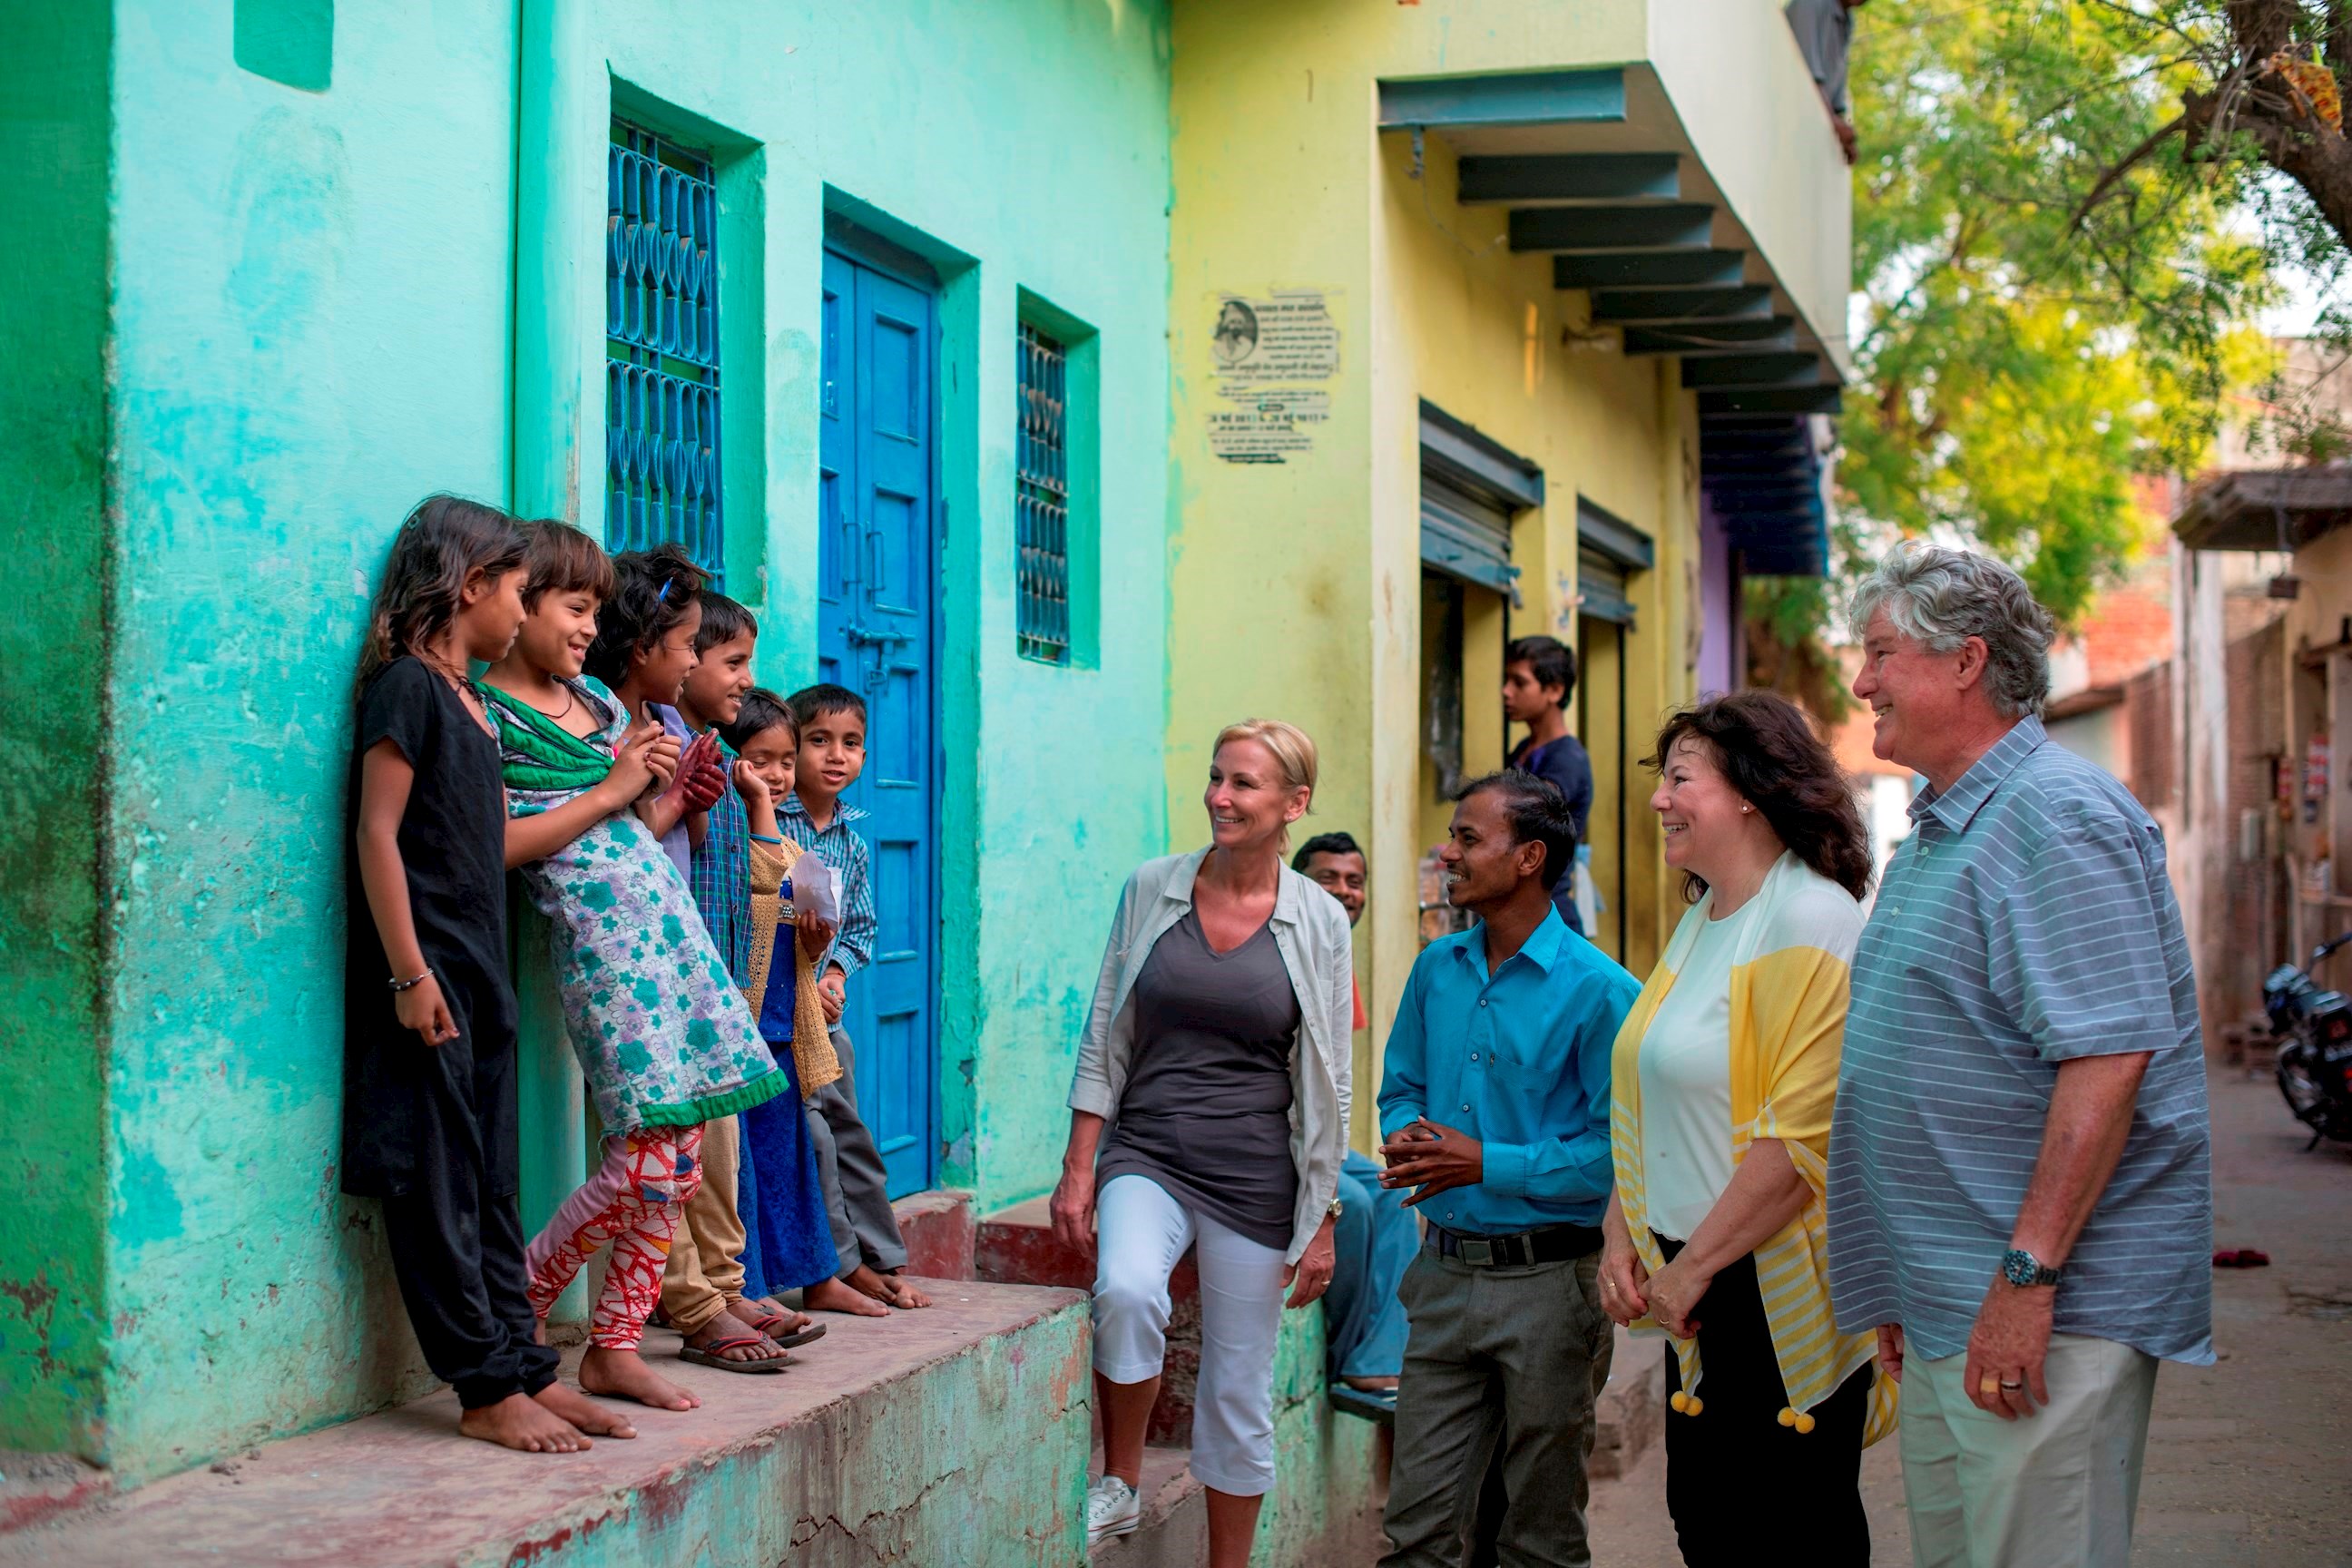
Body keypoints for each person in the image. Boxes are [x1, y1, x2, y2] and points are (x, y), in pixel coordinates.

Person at [1828, 542, 2214, 1568]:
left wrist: (2024, 1279)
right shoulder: (1957, 822)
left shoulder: (2058, 816)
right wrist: (1912, 1285)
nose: (1863, 684)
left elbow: (2110, 1060)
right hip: (1956, 1298)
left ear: (1966, 661)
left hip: (2041, 1309)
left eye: (1880, 656)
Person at [479, 529, 789, 1413]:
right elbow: (518, 837)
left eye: (589, 610)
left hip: (669, 937)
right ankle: (523, 1304)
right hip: (608, 955)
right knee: (645, 1164)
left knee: (681, 1162)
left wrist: (662, 801)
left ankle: (614, 1345)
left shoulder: (597, 708)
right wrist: (622, 791)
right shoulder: (492, 717)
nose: (582, 628)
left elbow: (624, 829)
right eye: (569, 607)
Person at [344, 495, 628, 1453]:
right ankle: (479, 1384)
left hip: (480, 972)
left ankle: (524, 1367)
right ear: (468, 587)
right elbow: (377, 834)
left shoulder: (467, 698)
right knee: (437, 1186)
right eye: (516, 590)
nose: (521, 609)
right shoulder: (408, 690)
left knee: (495, 1182)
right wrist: (407, 974)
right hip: (427, 980)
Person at [1598, 691, 1895, 1565]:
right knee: (1708, 1524)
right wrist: (1622, 1235)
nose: (1659, 801)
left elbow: (1798, 1141)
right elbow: (1652, 1096)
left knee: (1793, 1533)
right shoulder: (1704, 918)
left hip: (1768, 1287)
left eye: (1681, 779)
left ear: (1751, 795)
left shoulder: (1813, 921)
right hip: (1697, 1284)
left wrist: (1685, 1273)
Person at [1054, 720, 1354, 1563]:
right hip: (1147, 1148)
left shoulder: (1320, 921)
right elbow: (1103, 1029)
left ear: (1295, 802)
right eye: (1217, 778)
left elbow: (1332, 1080)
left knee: (1236, 1390)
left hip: (1256, 1174)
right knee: (1126, 1290)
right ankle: (1119, 1484)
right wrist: (1081, 1165)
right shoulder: (1153, 887)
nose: (1221, 798)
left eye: (1244, 785)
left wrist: (1323, 1214)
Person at [1377, 770, 1639, 1568]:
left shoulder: (1603, 993)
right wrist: (1412, 1139)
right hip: (1444, 1277)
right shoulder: (1435, 969)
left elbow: (1612, 1156)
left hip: (1551, 1290)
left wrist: (1485, 1162)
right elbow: (1401, 1087)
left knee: (1539, 1537)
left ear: (1528, 857)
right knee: (1415, 1533)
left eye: (1466, 838)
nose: (1447, 853)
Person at [658, 598, 827, 1369]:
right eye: (729, 661)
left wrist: (757, 803)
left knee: (718, 1155)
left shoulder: (720, 765)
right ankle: (694, 1303)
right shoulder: (671, 751)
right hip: (677, 990)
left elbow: (765, 891)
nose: (738, 677)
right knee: (678, 1159)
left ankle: (725, 1290)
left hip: (722, 990)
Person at [779, 683, 927, 1314]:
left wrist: (835, 974)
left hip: (826, 1017)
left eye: (851, 743)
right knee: (812, 1137)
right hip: (777, 1014)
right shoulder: (768, 819)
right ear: (792, 747)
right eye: (818, 741)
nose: (836, 756)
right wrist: (805, 977)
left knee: (852, 1135)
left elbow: (860, 925)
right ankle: (838, 1269)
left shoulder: (851, 839)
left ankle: (882, 1258)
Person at [1293, 830, 1414, 1423]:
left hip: (1317, 1141)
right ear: (1296, 886)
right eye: (1328, 879)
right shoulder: (1282, 951)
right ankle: (1347, 1363)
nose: (1345, 892)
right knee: (1354, 1209)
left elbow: (1331, 1084)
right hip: (1263, 1144)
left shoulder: (1338, 963)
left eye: (1354, 880)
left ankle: (1375, 1360)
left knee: (1396, 1190)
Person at [1503, 635, 1593, 936]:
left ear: (1554, 690)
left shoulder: (1567, 758)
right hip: (1520, 910)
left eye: (1519, 682)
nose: (1506, 692)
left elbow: (1527, 815)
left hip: (1549, 913)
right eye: (1506, 680)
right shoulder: (1522, 749)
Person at [1785, 0, 1867, 164]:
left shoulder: (1848, 20)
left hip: (1808, 136)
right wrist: (1835, 123)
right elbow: (1806, 69)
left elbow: (1837, 87)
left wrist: (1840, 126)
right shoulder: (1811, 3)